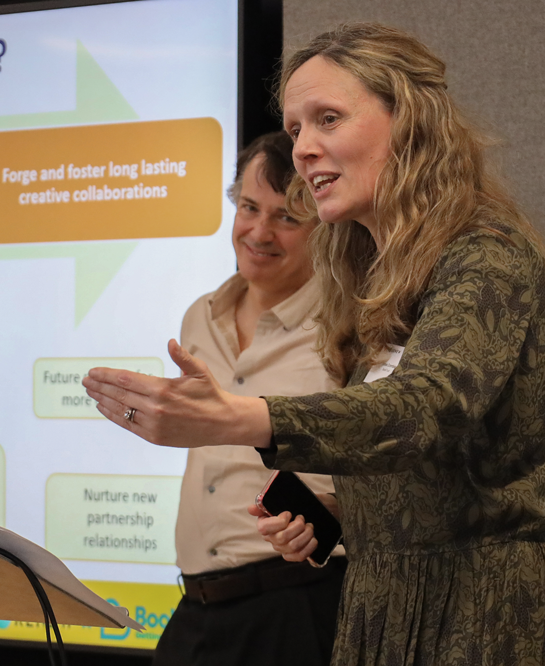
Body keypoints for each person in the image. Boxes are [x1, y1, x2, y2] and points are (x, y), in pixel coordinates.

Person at [85, 22, 545, 666]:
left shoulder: (486, 255)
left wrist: (240, 416)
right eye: (297, 128)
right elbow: (435, 475)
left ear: (408, 121)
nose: (303, 149)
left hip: (481, 619)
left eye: (327, 118)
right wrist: (336, 513)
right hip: (384, 609)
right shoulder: (383, 281)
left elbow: (426, 407)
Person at [151, 132, 346, 666]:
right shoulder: (201, 315)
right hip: (197, 605)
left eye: (286, 218)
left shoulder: (348, 324)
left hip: (294, 604)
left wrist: (328, 515)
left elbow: (389, 467)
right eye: (249, 208)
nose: (258, 232)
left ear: (323, 229)